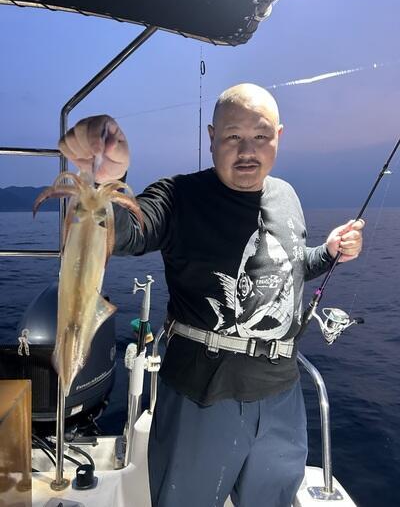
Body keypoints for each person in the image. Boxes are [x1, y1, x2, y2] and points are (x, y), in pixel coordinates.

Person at [59, 83, 364, 507]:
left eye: (261, 136)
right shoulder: (179, 196)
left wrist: (327, 253)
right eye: (233, 136)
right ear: (211, 137)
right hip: (201, 397)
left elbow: (289, 269)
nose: (247, 150)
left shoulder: (286, 196)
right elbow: (129, 231)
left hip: (282, 399)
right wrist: (107, 183)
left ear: (279, 135)